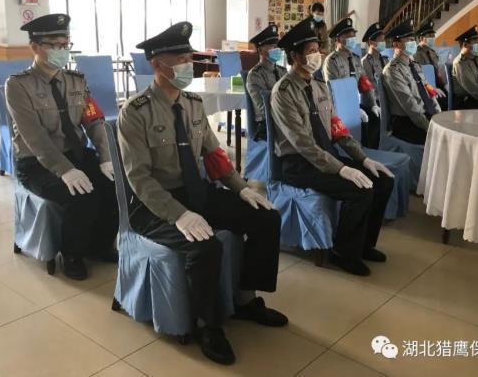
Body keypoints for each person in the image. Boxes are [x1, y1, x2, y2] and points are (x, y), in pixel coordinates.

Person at [117, 21, 287, 366]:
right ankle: (208, 325)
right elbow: (140, 179)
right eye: (179, 59)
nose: (187, 65)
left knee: (266, 217)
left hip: (196, 193)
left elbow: (214, 155)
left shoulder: (194, 104)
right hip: (154, 204)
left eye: (188, 58)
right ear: (156, 64)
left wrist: (241, 189)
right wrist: (177, 214)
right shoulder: (134, 113)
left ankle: (246, 298)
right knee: (206, 247)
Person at [271, 18, 394, 277]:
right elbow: (303, 144)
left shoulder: (319, 87)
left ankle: (364, 245)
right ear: (294, 57)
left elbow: (337, 128)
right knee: (360, 190)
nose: (317, 56)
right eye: (310, 51)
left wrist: (362, 159)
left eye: (318, 50)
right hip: (299, 164)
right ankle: (343, 252)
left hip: (326, 157)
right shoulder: (283, 92)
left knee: (382, 180)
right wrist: (341, 169)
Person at [5, 13, 119, 281]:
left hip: (76, 153)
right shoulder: (18, 85)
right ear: (35, 47)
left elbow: (94, 120)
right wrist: (64, 169)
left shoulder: (76, 80)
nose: (61, 50)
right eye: (53, 45)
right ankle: (72, 254)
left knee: (116, 184)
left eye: (65, 44)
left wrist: (106, 156)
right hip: (36, 163)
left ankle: (99, 245)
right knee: (82, 196)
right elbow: (34, 137)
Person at [382, 20, 442, 145]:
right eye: (409, 40)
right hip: (406, 121)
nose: (413, 43)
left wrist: (438, 116)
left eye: (413, 39)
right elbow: (409, 104)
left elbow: (428, 89)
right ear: (396, 44)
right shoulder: (392, 70)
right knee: (438, 142)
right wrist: (428, 127)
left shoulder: (414, 65)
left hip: (423, 114)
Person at [323, 18, 380, 148]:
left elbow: (365, 83)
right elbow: (335, 92)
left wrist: (373, 104)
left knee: (375, 117)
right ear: (338, 39)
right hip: (340, 107)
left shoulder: (355, 59)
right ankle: (358, 152)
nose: (352, 39)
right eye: (348, 37)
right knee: (363, 126)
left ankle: (370, 151)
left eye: (353, 36)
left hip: (357, 103)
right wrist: (353, 109)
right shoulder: (331, 61)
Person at [246, 24, 287, 141]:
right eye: (272, 46)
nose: (277, 49)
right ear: (260, 50)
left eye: (277, 46)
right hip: (269, 124)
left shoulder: (283, 71)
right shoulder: (255, 75)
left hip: (286, 119)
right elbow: (265, 109)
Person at [360, 22, 389, 148]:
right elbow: (366, 86)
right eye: (380, 40)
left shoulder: (385, 60)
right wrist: (373, 104)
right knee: (376, 128)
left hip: (385, 100)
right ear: (371, 42)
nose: (384, 42)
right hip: (372, 103)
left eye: (384, 40)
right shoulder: (364, 62)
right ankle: (373, 149)